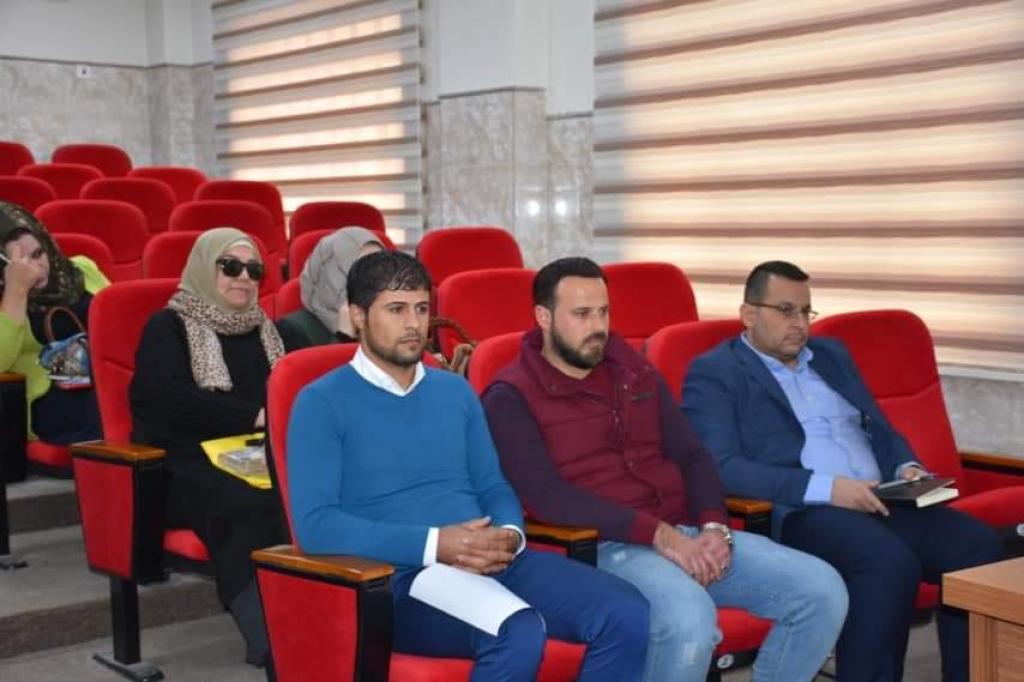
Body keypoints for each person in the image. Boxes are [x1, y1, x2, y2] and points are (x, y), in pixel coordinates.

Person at [287, 250, 650, 682]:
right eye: (396, 309)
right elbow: (316, 526)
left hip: (491, 557)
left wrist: (509, 535)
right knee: (518, 632)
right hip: (403, 577)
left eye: (422, 309)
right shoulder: (320, 402)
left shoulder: (454, 392)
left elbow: (492, 484)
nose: (413, 324)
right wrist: (436, 544)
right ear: (358, 315)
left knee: (626, 611)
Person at [482, 257, 847, 682]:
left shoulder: (633, 371)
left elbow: (692, 455)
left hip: (684, 531)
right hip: (600, 547)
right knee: (689, 620)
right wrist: (657, 534)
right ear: (543, 318)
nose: (597, 326)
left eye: (603, 312)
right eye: (581, 314)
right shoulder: (510, 396)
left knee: (823, 591)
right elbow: (547, 496)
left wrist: (715, 526)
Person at [682, 260, 1005, 682]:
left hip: (882, 496)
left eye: (805, 311)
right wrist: (829, 489)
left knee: (979, 549)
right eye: (785, 311)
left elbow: (878, 427)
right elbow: (720, 468)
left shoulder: (831, 355)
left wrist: (906, 467)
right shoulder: (715, 372)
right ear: (749, 314)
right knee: (888, 563)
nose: (799, 323)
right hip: (805, 510)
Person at [129, 228, 288, 674]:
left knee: (304, 491)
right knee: (250, 504)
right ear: (204, 268)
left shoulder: (266, 331)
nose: (244, 278)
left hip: (259, 454)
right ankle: (272, 638)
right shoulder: (167, 327)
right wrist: (254, 415)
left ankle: (316, 614)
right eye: (230, 267)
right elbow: (166, 400)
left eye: (253, 270)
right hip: (185, 463)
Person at [0, 202, 106, 445]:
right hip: (51, 396)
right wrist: (16, 289)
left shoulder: (80, 269)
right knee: (99, 410)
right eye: (19, 263)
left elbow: (116, 319)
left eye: (38, 254)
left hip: (101, 378)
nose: (35, 268)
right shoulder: (7, 296)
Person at [276, 227, 384, 351]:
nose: (376, 280)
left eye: (381, 268)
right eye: (364, 269)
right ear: (331, 274)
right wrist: (344, 336)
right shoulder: (291, 329)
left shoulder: (387, 316)